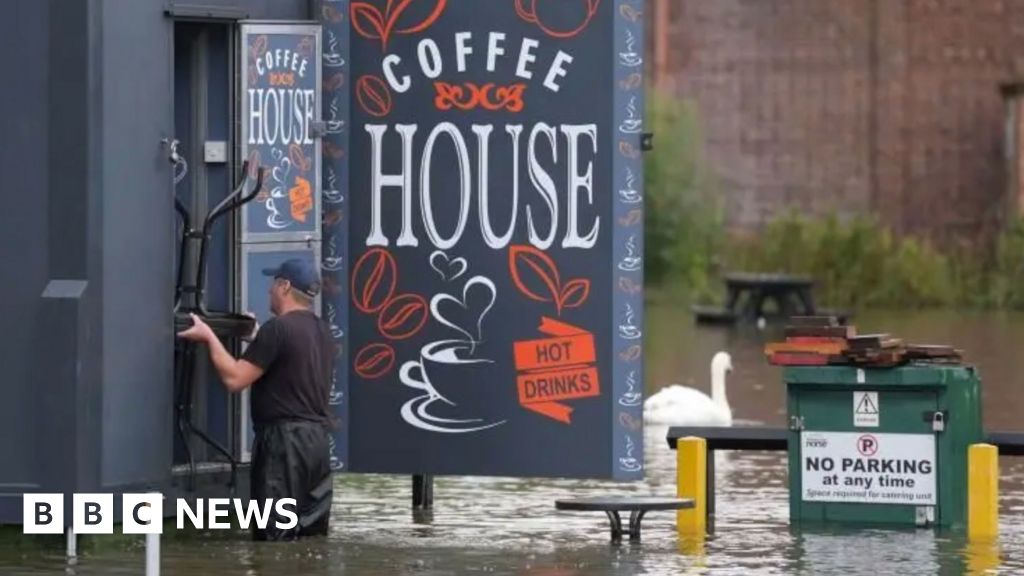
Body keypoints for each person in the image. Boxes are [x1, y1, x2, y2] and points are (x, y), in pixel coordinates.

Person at [177, 258, 334, 541]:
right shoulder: (322, 331)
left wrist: (209, 337)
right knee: (312, 536)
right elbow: (290, 358)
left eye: (274, 284)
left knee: (274, 535)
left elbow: (235, 379)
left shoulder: (278, 329)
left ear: (285, 286)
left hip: (285, 444)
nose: (269, 291)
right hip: (318, 445)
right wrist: (256, 337)